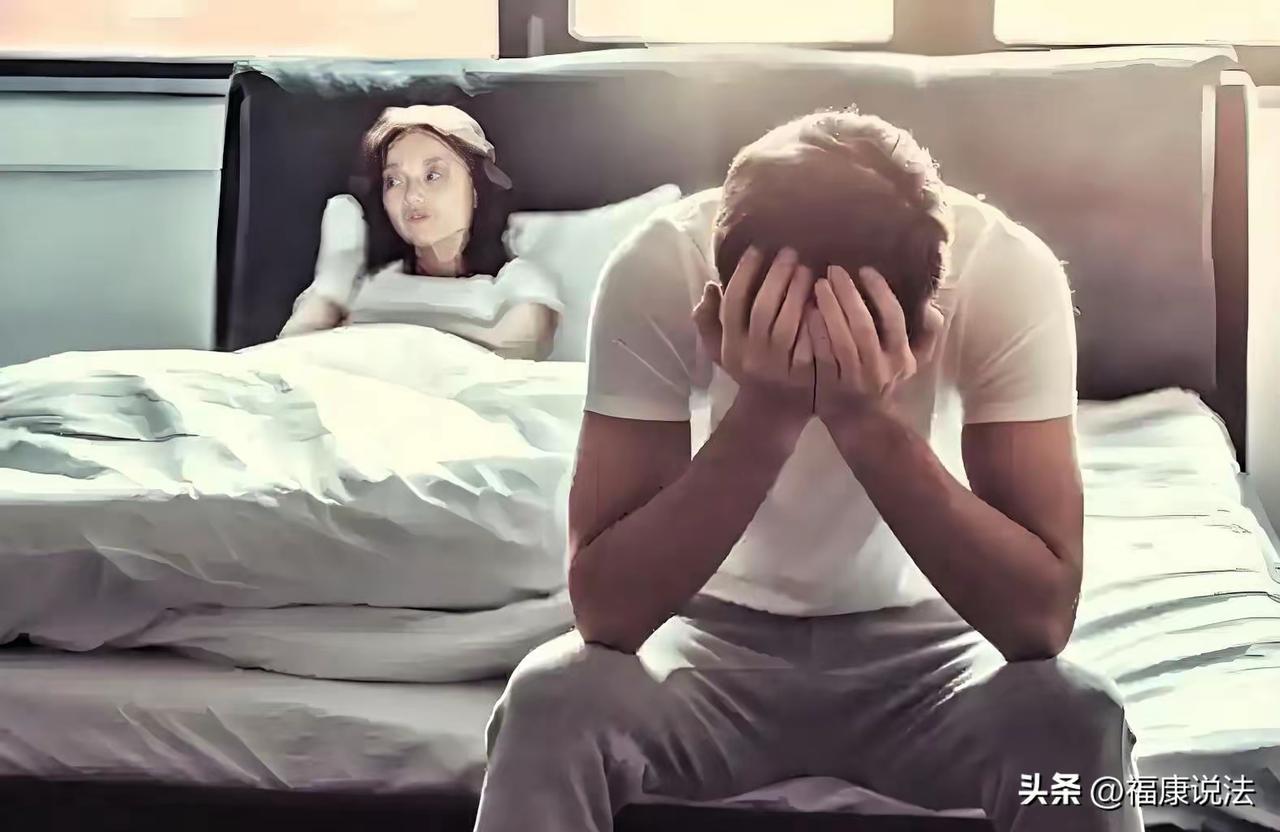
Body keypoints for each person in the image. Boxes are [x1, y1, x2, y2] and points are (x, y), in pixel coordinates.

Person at [472, 108, 1142, 832]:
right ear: (719, 301)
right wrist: (766, 411)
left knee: (1078, 717)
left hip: (933, 646)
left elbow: (1039, 621)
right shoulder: (661, 265)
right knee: (549, 701)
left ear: (926, 317)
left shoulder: (1005, 272)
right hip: (704, 637)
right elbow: (607, 612)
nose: (818, 357)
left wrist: (866, 420)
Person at [278, 105, 561, 360]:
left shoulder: (517, 280)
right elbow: (286, 357)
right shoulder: (368, 284)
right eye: (394, 181)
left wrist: (368, 337)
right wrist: (330, 289)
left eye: (432, 176)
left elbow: (522, 347)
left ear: (475, 189)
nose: (412, 196)